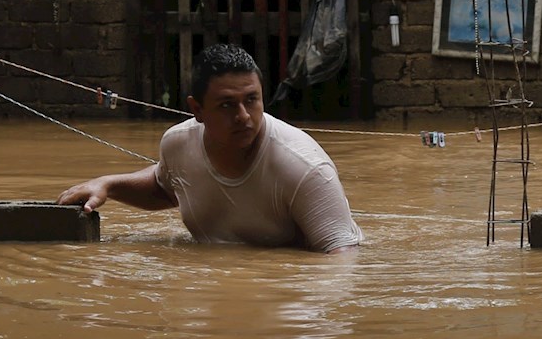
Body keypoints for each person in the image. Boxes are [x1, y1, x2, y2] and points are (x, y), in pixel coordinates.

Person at [58, 44, 363, 253]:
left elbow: (343, 261)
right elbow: (167, 188)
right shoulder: (177, 144)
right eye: (227, 105)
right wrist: (108, 185)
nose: (243, 116)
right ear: (197, 109)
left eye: (252, 100)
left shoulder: (303, 168)